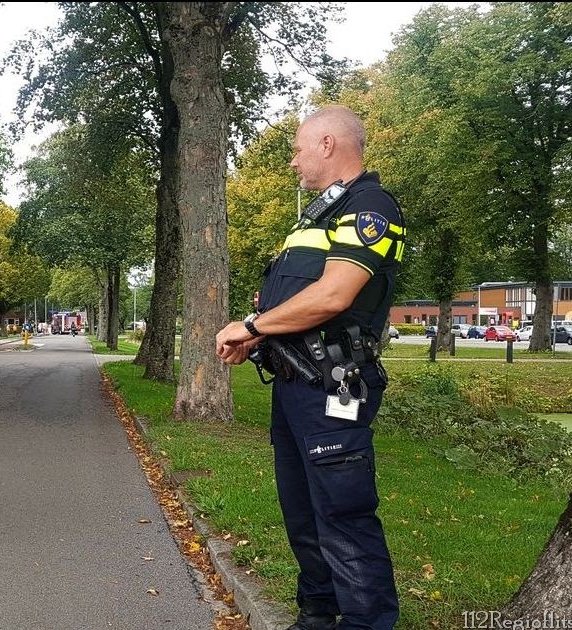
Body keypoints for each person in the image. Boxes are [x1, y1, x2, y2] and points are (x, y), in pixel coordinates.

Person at [215, 105, 405, 630]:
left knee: (342, 513)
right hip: (297, 385)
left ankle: (368, 622)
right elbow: (297, 303)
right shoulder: (316, 218)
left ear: (327, 144)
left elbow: (334, 295)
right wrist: (258, 334)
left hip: (335, 386)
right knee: (303, 514)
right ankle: (317, 615)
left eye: (299, 149)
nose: (294, 161)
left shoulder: (371, 208)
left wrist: (251, 328)